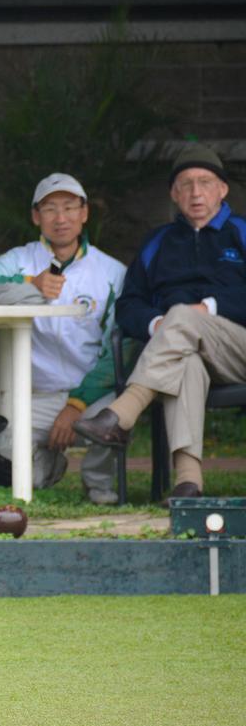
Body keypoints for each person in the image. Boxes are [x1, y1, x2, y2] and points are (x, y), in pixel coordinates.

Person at [74, 145, 246, 501]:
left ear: (222, 190)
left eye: (204, 182)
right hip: (179, 349)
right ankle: (188, 484)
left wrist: (208, 308)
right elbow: (128, 305)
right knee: (185, 362)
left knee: (182, 315)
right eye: (185, 184)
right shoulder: (157, 243)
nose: (196, 193)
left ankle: (121, 415)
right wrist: (156, 326)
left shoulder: (242, 233)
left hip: (238, 347)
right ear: (174, 194)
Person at [0, 174, 127, 504]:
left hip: (90, 393)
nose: (60, 218)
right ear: (36, 216)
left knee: (119, 413)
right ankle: (45, 467)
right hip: (33, 394)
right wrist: (29, 285)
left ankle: (98, 483)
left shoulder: (112, 272)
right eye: (50, 208)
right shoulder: (20, 260)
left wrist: (75, 405)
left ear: (84, 213)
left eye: (69, 207)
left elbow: (118, 351)